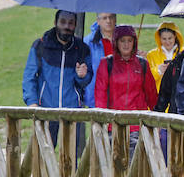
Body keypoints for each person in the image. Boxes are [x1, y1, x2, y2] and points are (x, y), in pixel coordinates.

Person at [22, 10, 92, 150]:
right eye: (63, 22)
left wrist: (82, 76)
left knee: (70, 158)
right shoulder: (40, 45)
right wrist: (32, 103)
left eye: (71, 23)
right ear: (55, 23)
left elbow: (86, 81)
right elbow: (29, 77)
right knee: (43, 156)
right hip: (45, 109)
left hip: (73, 111)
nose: (66, 26)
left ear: (75, 25)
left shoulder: (82, 49)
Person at [94, 25, 158, 154]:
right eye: (122, 41)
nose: (126, 44)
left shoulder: (142, 64)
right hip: (112, 125)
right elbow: (100, 95)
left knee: (135, 168)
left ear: (134, 42)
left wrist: (156, 120)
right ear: (116, 42)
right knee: (114, 168)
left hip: (137, 126)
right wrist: (102, 122)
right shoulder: (106, 64)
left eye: (130, 40)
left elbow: (151, 95)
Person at [84, 12, 117, 107]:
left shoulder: (124, 40)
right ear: (98, 21)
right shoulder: (88, 42)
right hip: (97, 93)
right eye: (104, 18)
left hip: (120, 94)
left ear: (115, 19)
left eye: (111, 17)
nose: (108, 21)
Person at [146, 22, 184, 92]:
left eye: (170, 38)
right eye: (164, 39)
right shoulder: (151, 55)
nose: (167, 42)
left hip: (179, 96)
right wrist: (158, 70)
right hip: (160, 97)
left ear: (175, 36)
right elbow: (147, 79)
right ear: (159, 38)